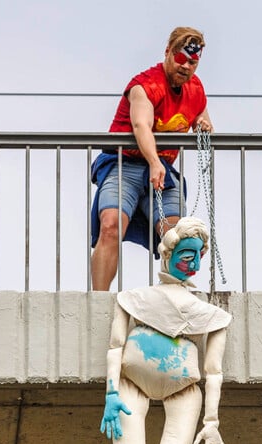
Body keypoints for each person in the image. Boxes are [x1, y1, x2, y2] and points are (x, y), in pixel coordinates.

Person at [100, 216, 230, 444]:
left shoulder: (209, 314)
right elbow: (115, 347)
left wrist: (212, 419)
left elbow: (214, 370)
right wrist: (110, 393)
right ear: (169, 254)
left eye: (196, 255)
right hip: (131, 385)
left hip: (183, 389)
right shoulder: (136, 298)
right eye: (184, 254)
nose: (190, 262)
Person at [90, 27, 213, 291]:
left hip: (162, 171)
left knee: (178, 236)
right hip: (125, 165)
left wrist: (203, 124)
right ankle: (98, 300)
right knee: (111, 224)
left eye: (192, 62)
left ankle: (176, 294)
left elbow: (201, 114)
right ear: (168, 52)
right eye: (181, 59)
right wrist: (155, 162)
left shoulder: (196, 88)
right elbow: (141, 126)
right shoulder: (145, 85)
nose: (186, 67)